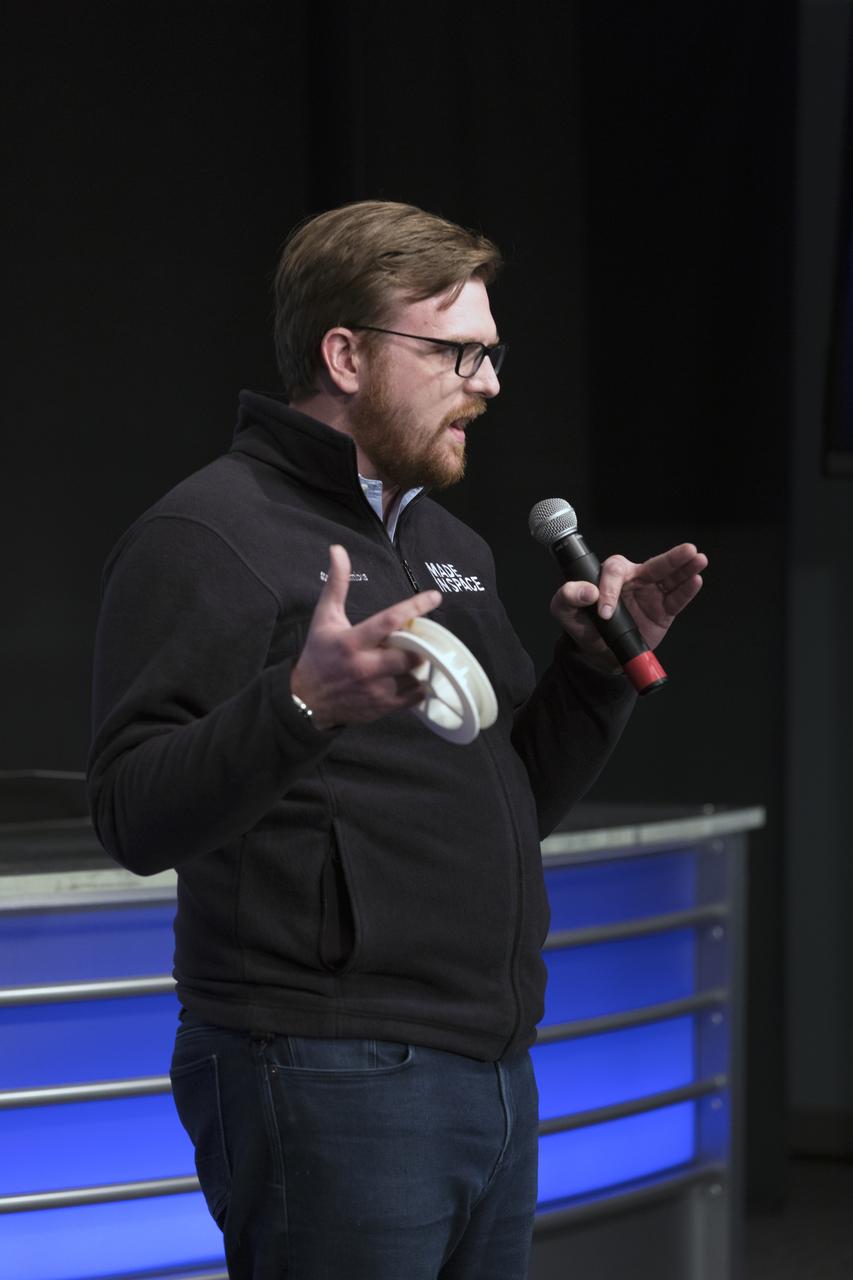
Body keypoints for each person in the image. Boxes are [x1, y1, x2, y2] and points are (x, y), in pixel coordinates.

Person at [87, 200, 707, 1280]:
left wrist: (594, 673)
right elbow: (131, 813)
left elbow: (509, 800)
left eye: (491, 351)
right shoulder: (207, 534)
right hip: (326, 1065)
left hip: (491, 1063)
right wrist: (302, 703)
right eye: (456, 351)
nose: (488, 382)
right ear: (345, 354)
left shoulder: (446, 541)